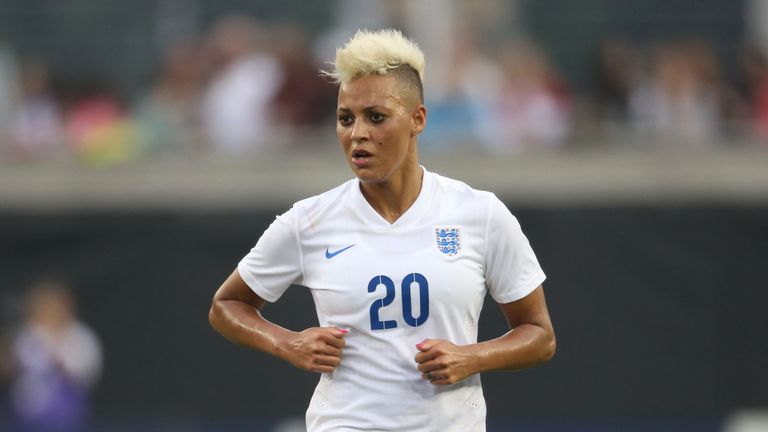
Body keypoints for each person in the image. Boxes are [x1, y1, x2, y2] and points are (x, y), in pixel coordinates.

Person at [209, 28, 555, 432]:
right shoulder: (309, 221)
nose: (357, 133)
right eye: (345, 118)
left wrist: (472, 356)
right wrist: (287, 343)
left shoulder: (479, 213)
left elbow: (539, 335)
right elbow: (226, 306)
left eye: (376, 117)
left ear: (417, 119)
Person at [6, 278, 103, 432]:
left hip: (66, 414)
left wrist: (57, 359)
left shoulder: (80, 336)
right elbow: (11, 370)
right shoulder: (26, 335)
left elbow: (85, 375)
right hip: (25, 414)